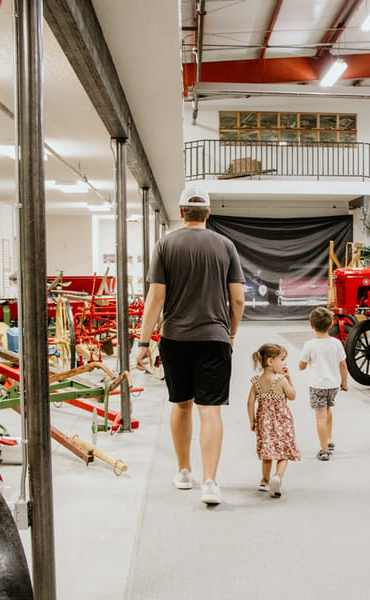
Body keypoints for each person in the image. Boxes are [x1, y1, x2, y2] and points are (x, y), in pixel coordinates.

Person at [135, 183, 245, 506]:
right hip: (214, 339)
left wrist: (143, 342)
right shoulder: (226, 246)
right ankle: (210, 482)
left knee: (181, 404)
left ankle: (184, 472)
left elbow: (156, 297)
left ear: (181, 212)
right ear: (208, 213)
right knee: (209, 410)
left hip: (175, 339)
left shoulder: (165, 245)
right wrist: (231, 331)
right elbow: (237, 299)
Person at [247, 343, 300, 498]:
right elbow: (292, 396)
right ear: (270, 362)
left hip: (264, 423)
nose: (284, 364)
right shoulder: (281, 381)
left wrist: (252, 420)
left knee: (267, 453)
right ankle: (277, 476)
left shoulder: (256, 382)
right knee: (283, 453)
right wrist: (290, 380)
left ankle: (264, 480)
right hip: (283, 421)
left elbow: (250, 402)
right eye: (282, 360)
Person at [298, 307, 348, 461]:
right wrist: (344, 383)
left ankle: (324, 450)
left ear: (311, 325)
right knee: (328, 410)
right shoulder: (337, 343)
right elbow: (343, 365)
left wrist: (304, 364)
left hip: (317, 386)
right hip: (333, 385)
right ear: (331, 324)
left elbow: (302, 365)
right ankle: (329, 439)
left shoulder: (310, 344)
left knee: (320, 417)